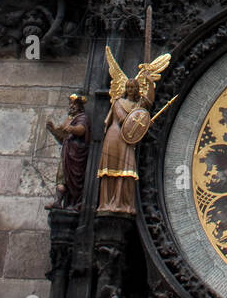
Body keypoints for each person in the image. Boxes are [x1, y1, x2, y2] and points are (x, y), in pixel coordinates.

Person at [96, 47, 170, 215]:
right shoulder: (117, 103)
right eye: (128, 87)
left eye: (133, 88)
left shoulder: (139, 104)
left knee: (127, 169)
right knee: (112, 168)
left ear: (137, 89)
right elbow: (125, 120)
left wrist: (150, 82)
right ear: (125, 89)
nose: (130, 90)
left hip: (127, 140)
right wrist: (141, 123)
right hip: (116, 136)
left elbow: (149, 101)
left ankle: (125, 203)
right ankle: (107, 203)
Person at [45, 91, 90, 209]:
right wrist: (53, 130)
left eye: (74, 104)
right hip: (67, 152)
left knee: (74, 179)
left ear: (79, 106)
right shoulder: (69, 119)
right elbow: (62, 138)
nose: (71, 106)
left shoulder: (82, 118)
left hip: (76, 154)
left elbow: (81, 130)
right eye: (70, 104)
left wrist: (72, 128)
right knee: (62, 176)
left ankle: (76, 202)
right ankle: (58, 201)